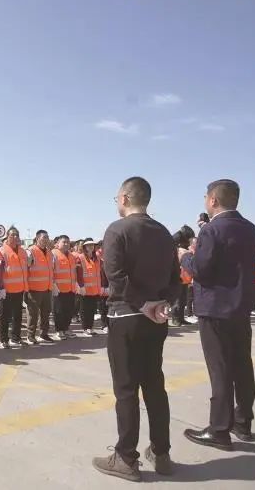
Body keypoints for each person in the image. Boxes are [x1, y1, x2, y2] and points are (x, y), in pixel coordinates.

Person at [93, 177, 178, 482]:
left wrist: (143, 303)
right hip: (155, 320)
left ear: (125, 198)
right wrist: (163, 304)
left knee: (127, 389)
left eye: (117, 198)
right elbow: (176, 278)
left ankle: (126, 457)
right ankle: (161, 452)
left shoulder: (117, 230)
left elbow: (115, 276)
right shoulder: (164, 233)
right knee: (154, 385)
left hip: (126, 317)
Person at [179, 179, 255, 450]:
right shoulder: (249, 228)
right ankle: (243, 422)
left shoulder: (211, 229)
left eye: (206, 197)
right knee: (242, 366)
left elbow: (201, 270)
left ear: (213, 200)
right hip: (240, 307)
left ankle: (219, 429)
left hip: (215, 309)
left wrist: (184, 257)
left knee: (220, 369)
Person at [0, 227, 29, 348]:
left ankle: (16, 338)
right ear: (7, 236)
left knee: (18, 316)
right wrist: (0, 288)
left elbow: (25, 270)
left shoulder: (23, 251)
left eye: (17, 235)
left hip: (19, 289)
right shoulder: (1, 251)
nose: (15, 237)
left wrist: (25, 287)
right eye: (12, 235)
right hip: (6, 290)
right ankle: (4, 339)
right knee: (5, 316)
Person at [26, 230, 55, 344]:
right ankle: (30, 336)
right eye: (44, 237)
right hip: (34, 289)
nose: (46, 239)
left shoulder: (49, 252)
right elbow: (26, 268)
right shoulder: (31, 251)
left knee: (45, 313)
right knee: (33, 314)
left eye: (47, 237)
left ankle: (44, 334)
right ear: (37, 238)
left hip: (47, 288)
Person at [51, 235, 80, 340]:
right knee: (59, 311)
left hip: (70, 288)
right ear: (57, 243)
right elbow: (50, 270)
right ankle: (59, 330)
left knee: (69, 310)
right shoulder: (53, 254)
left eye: (68, 242)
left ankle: (66, 328)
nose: (66, 244)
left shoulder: (71, 256)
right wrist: (53, 284)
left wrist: (76, 284)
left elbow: (73, 271)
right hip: (58, 289)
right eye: (64, 242)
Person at [78, 240, 104, 337]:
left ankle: (90, 327)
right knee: (85, 310)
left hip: (95, 289)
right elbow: (79, 273)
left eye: (92, 245)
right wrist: (81, 286)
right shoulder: (80, 257)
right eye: (88, 245)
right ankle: (86, 328)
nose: (90, 247)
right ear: (84, 247)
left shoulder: (97, 258)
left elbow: (100, 273)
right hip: (85, 290)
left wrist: (101, 286)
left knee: (92, 310)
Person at [171, 226, 195, 327]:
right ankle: (175, 319)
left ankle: (181, 318)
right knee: (177, 300)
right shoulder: (176, 244)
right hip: (177, 277)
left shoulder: (183, 244)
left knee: (183, 299)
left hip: (184, 277)